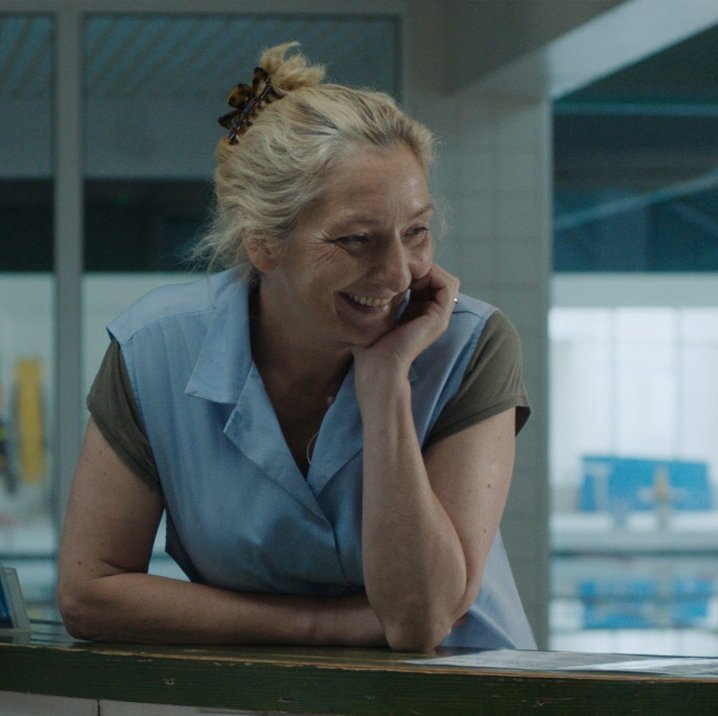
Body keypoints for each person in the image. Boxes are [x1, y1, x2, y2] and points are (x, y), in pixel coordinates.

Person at [56, 42, 535, 653]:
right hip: (261, 705)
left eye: (416, 232)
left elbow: (419, 620)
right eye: (357, 240)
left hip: (463, 698)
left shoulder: (470, 344)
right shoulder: (155, 351)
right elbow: (89, 593)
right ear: (263, 242)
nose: (399, 275)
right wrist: (323, 628)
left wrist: (386, 383)